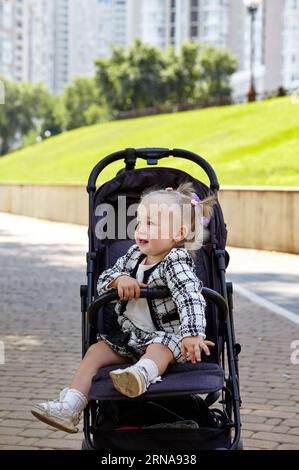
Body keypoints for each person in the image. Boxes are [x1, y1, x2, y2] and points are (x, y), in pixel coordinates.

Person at [31, 182, 215, 433]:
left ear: (178, 234)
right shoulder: (133, 256)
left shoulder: (176, 262)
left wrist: (193, 334)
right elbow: (104, 279)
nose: (141, 229)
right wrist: (120, 280)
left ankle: (139, 375)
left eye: (151, 223)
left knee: (159, 348)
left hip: (170, 340)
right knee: (96, 351)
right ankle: (70, 405)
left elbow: (190, 296)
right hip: (132, 338)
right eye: (139, 222)